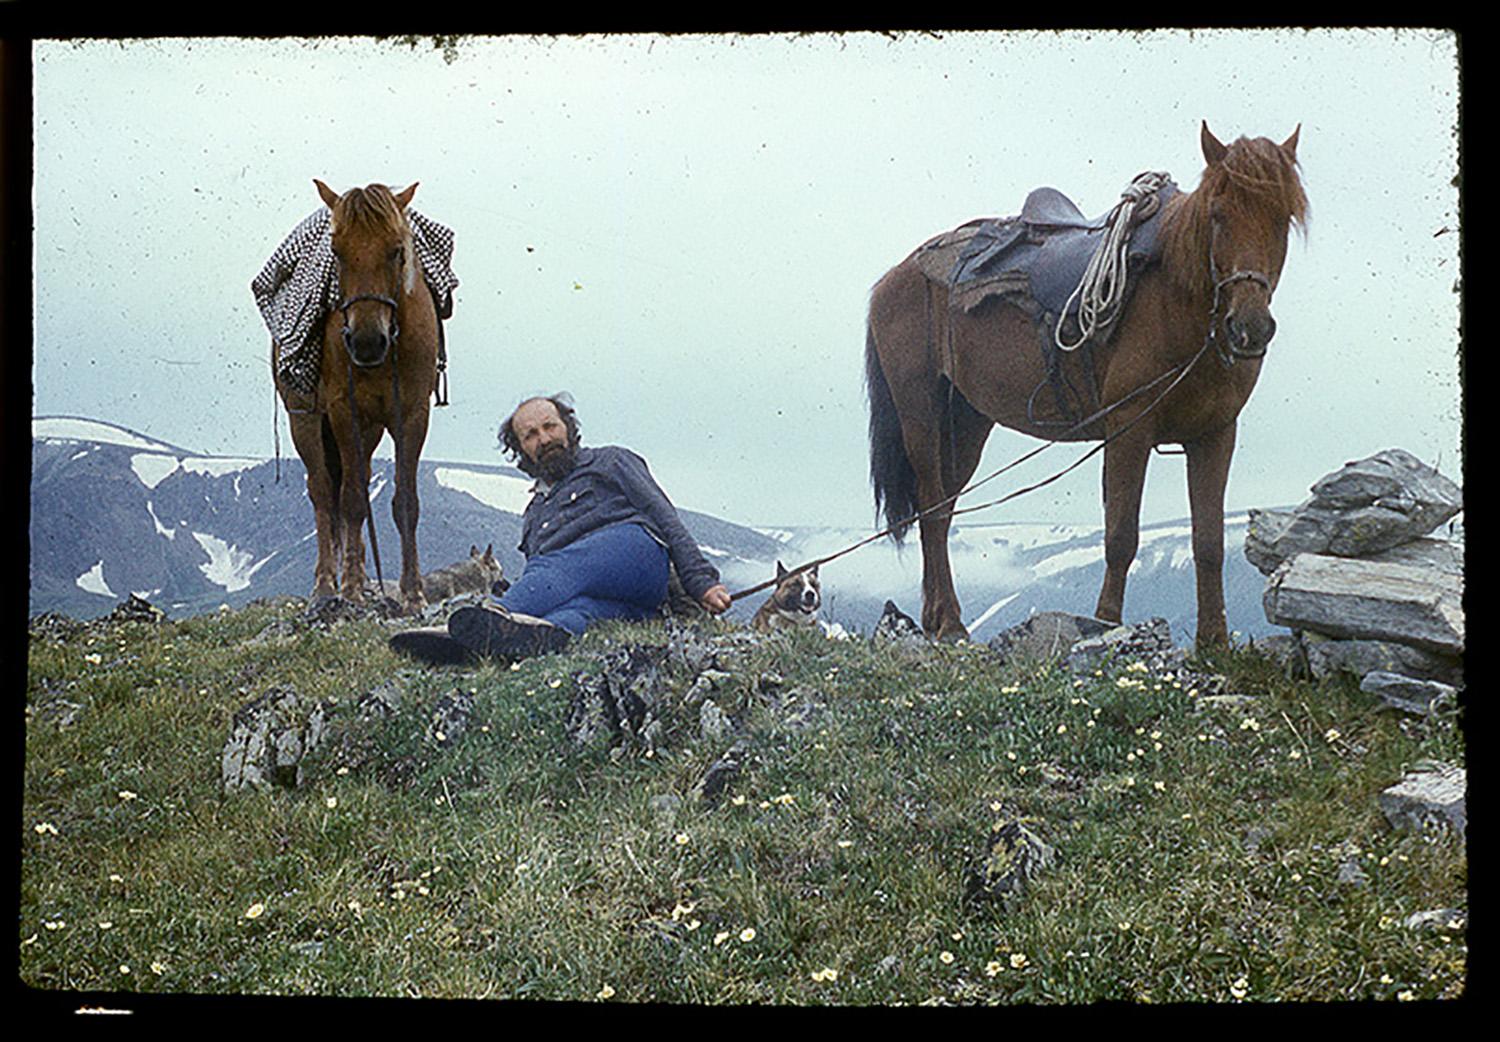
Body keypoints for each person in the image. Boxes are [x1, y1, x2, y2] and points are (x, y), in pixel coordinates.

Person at [391, 393, 731, 664]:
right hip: (624, 603)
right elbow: (550, 581)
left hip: (633, 555)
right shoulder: (534, 513)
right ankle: (505, 643)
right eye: (531, 435)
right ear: (521, 449)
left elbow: (665, 517)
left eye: (550, 426)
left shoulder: (611, 461)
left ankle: (491, 617)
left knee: (557, 567)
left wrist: (702, 583)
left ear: (567, 426)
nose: (544, 438)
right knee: (572, 611)